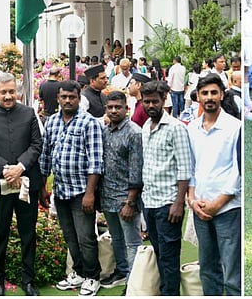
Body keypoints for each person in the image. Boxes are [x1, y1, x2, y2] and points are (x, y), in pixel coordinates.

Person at [0, 73, 43, 296]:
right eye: (3, 92)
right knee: (0, 233)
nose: (8, 96)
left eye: (11, 91)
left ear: (18, 91)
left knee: (28, 234)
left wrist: (20, 167)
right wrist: (6, 169)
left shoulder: (28, 113)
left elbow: (37, 144)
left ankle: (28, 281)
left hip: (26, 182)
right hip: (0, 183)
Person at [40, 81, 104, 296]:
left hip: (81, 192)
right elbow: (45, 156)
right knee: (69, 235)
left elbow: (96, 161)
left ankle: (92, 276)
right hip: (60, 191)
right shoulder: (51, 122)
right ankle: (77, 272)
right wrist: (43, 187)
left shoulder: (89, 123)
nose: (67, 101)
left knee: (86, 237)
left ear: (79, 98)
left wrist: (90, 193)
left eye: (72, 97)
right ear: (58, 98)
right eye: (64, 97)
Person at [186, 74, 242, 296]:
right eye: (205, 93)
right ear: (198, 97)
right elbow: (190, 167)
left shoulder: (235, 127)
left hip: (227, 208)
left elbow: (238, 171)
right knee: (207, 269)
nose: (209, 97)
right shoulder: (192, 128)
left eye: (213, 93)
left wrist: (218, 202)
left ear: (221, 94)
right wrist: (192, 200)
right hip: (200, 207)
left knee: (232, 274)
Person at [140, 80, 193, 296]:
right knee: (159, 252)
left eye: (155, 101)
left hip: (169, 204)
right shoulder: (146, 127)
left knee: (169, 256)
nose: (150, 105)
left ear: (164, 100)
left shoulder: (176, 128)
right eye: (146, 102)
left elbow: (185, 167)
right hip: (149, 201)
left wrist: (178, 202)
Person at [99, 90, 144, 290]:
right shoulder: (105, 131)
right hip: (107, 196)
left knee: (132, 242)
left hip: (126, 199)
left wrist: (130, 202)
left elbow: (136, 171)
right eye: (110, 107)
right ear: (106, 109)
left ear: (127, 108)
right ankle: (122, 272)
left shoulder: (134, 133)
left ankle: (133, 282)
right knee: (115, 237)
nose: (114, 111)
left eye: (118, 107)